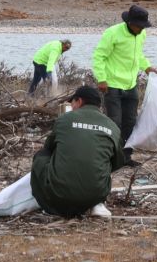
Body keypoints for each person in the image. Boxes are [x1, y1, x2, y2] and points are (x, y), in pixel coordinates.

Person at [30, 85, 124, 218]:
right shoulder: (112, 126)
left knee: (41, 156)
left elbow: (49, 148)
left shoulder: (65, 119)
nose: (72, 106)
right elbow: (118, 161)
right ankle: (96, 203)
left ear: (79, 101)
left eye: (72, 102)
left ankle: (46, 201)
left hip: (58, 195)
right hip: (96, 194)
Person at [92, 5, 157, 166]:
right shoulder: (112, 33)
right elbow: (99, 56)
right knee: (114, 122)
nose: (141, 29)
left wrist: (147, 67)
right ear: (129, 22)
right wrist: (101, 79)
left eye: (143, 26)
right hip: (112, 85)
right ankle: (111, 157)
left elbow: (138, 56)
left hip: (131, 85)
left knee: (130, 122)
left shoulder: (141, 35)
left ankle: (126, 157)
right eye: (139, 26)